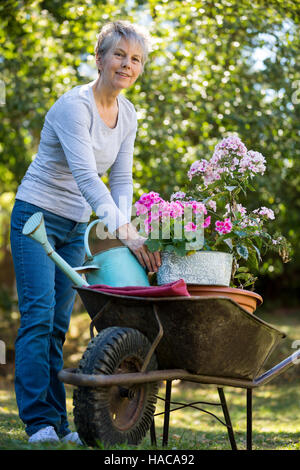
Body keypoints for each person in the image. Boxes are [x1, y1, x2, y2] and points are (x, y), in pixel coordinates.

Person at [10, 20, 161, 445]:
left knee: (59, 323)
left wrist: (122, 227)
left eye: (136, 59)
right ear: (99, 59)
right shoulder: (74, 107)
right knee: (38, 320)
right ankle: (39, 422)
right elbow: (86, 178)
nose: (127, 65)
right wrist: (128, 235)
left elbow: (122, 178)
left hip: (77, 226)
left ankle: (59, 424)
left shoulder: (128, 113)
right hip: (36, 218)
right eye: (119, 55)